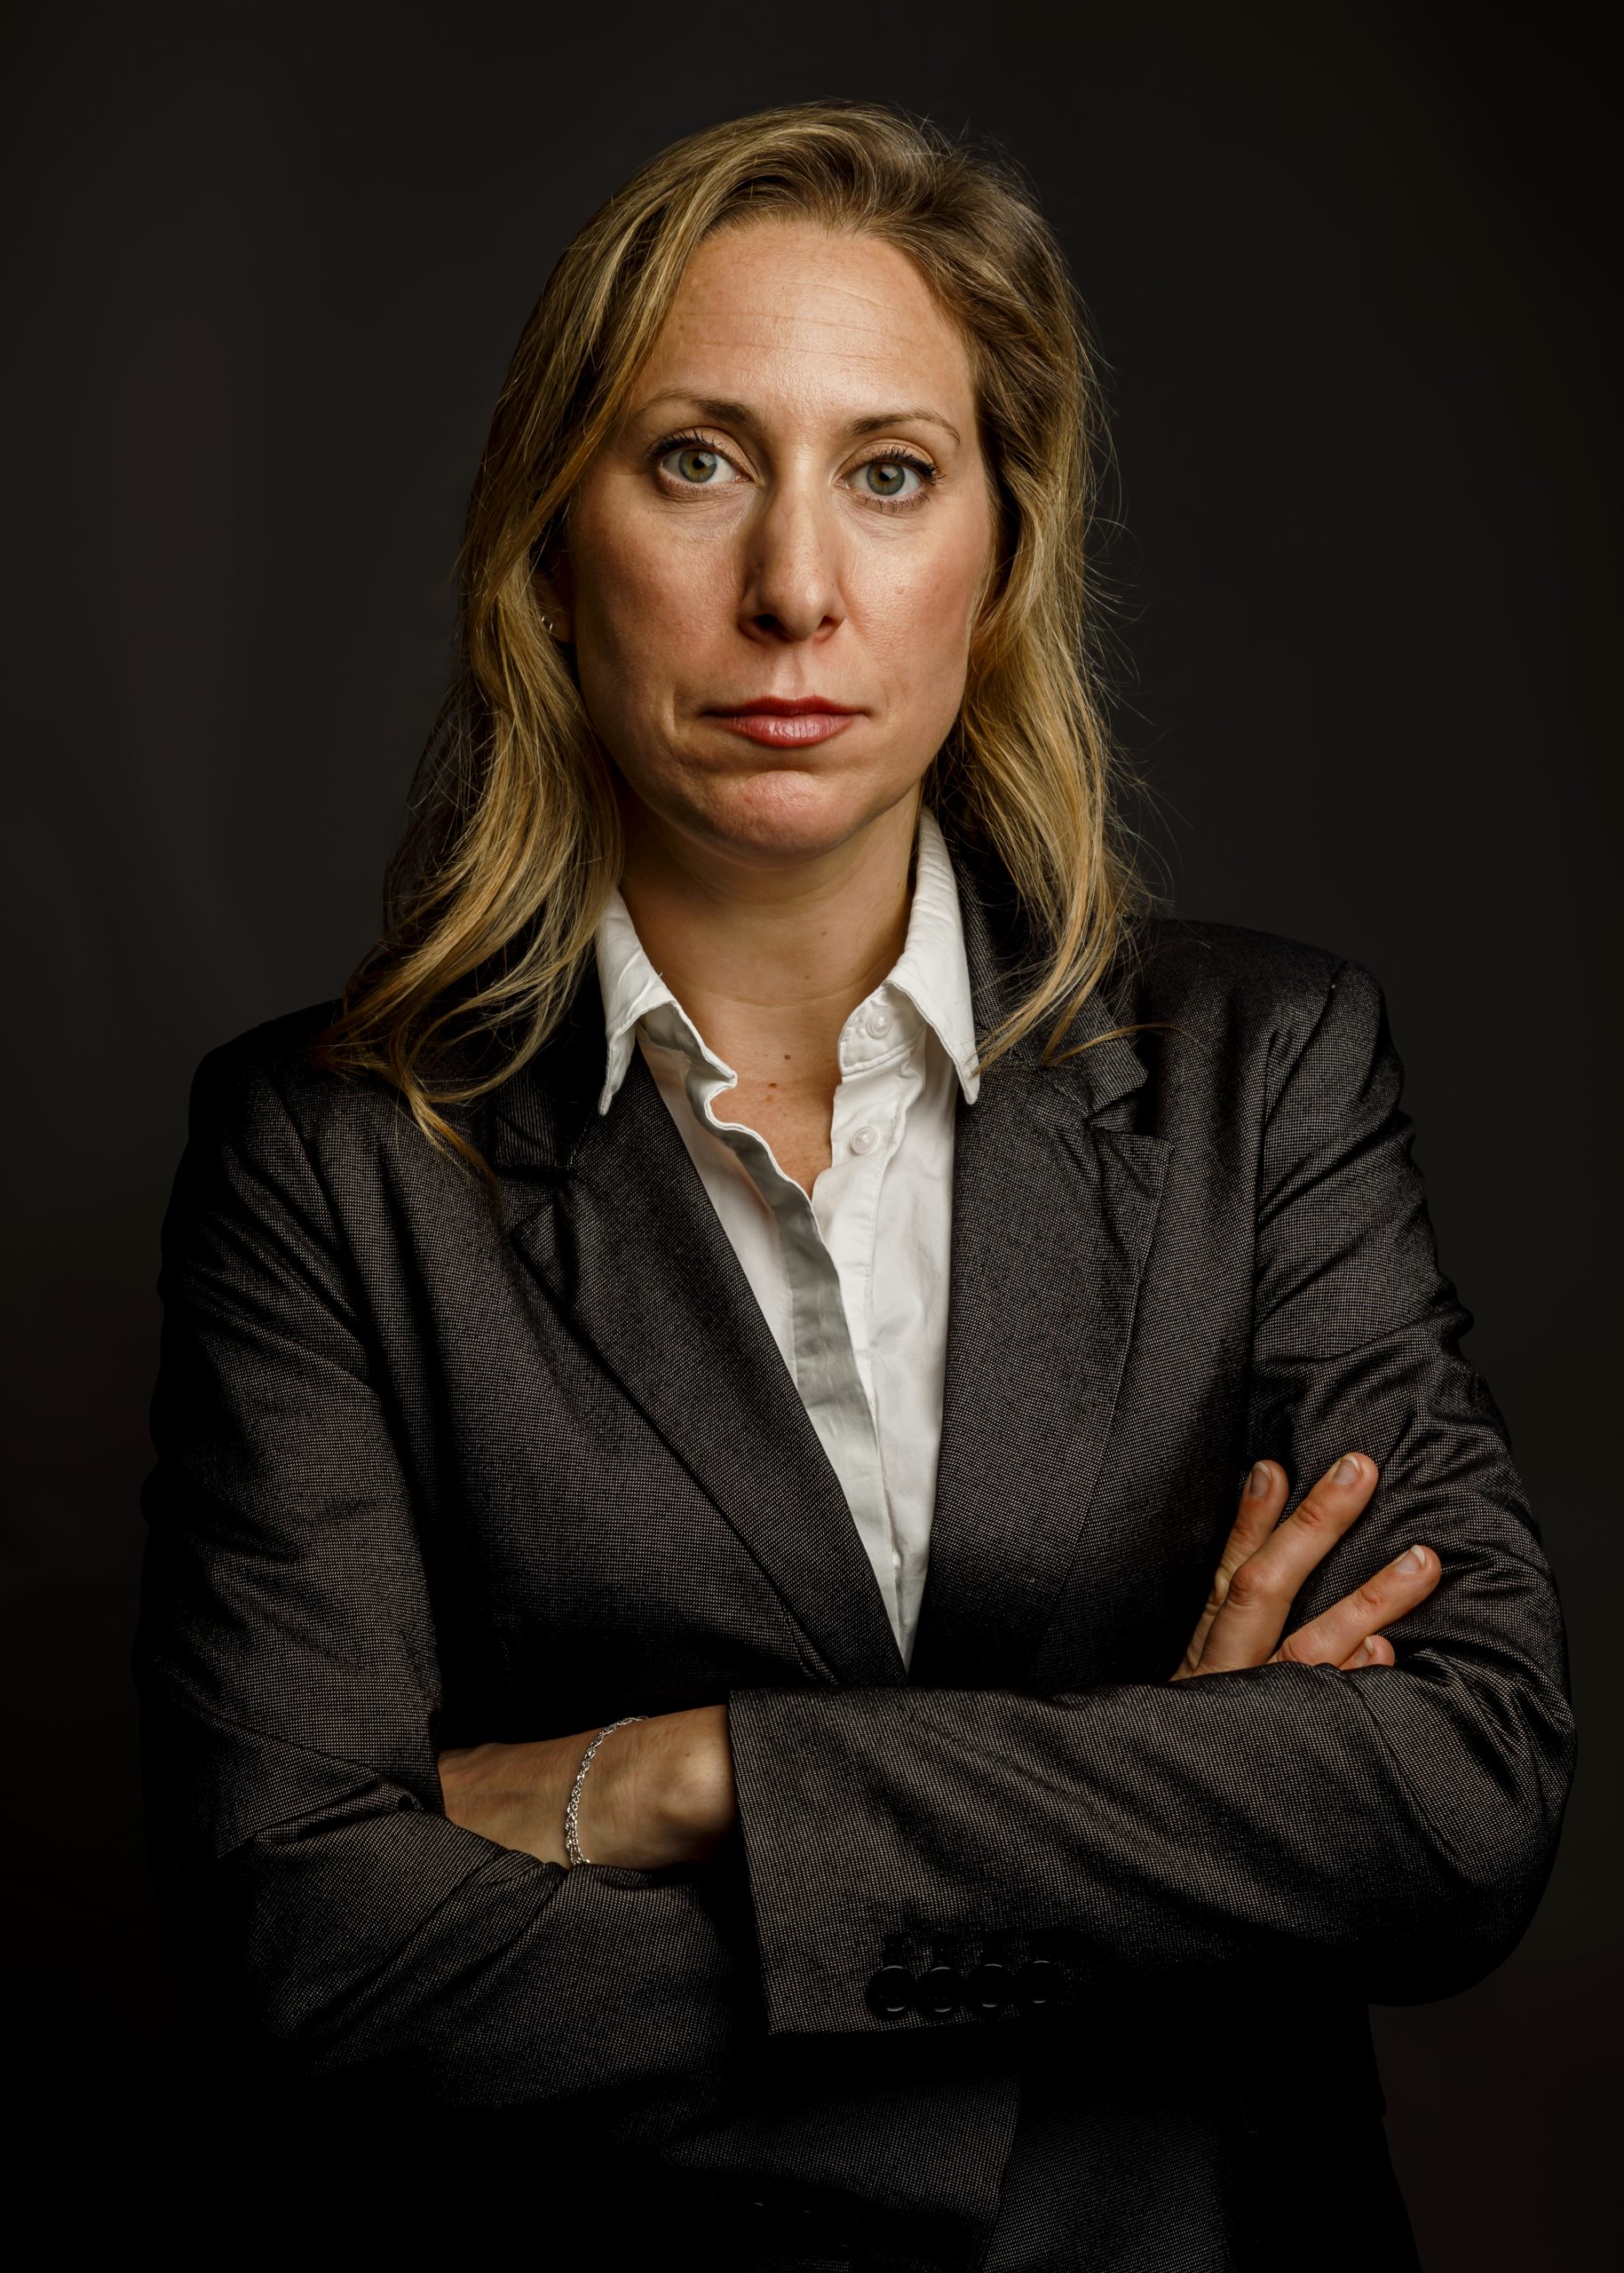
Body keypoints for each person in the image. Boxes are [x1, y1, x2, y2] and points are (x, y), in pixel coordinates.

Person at [135, 102, 1573, 2270]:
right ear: (552, 534)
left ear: (999, 551)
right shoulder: (329, 1159)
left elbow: (1463, 1790)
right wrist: (1168, 1825)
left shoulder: (1265, 1074)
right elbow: (311, 1934)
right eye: (697, 458)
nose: (795, 585)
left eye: (890, 472)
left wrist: (690, 1776)